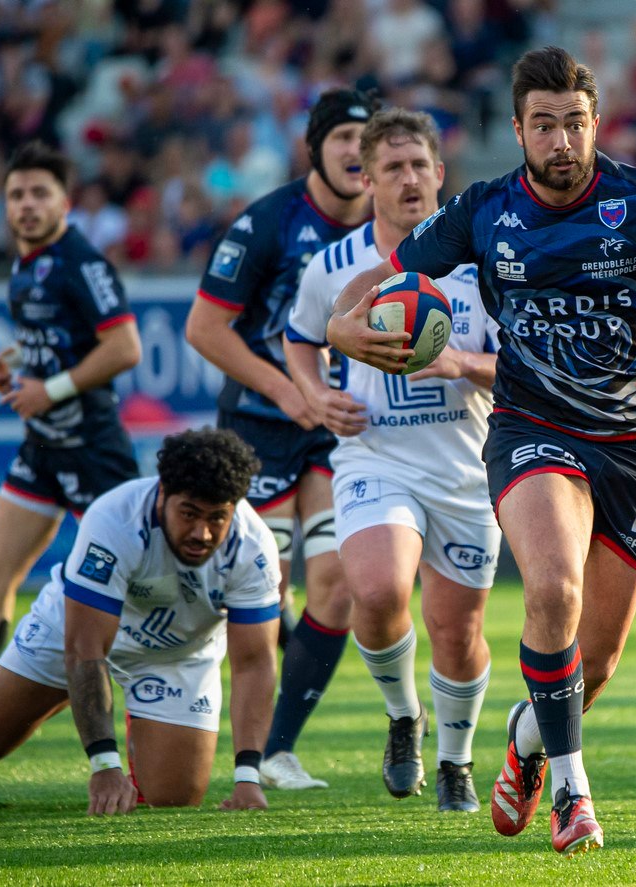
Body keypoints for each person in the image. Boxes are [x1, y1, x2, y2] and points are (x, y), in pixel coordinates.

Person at [325, 46, 636, 855]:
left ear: (597, 124)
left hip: (634, 444)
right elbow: (373, 282)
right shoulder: (484, 209)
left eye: (576, 124)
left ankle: (527, 741)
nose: (563, 141)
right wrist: (343, 328)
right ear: (519, 129)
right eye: (546, 125)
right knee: (552, 590)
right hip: (533, 428)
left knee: (597, 661)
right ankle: (572, 792)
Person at [0, 429, 282, 813]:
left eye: (216, 518)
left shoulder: (254, 546)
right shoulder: (115, 518)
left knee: (174, 797)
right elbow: (84, 650)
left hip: (177, 655)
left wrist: (248, 777)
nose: (202, 533)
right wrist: (104, 765)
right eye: (189, 513)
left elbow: (254, 663)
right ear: (161, 494)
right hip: (74, 631)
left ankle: (144, 720)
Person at [284, 108, 500, 812]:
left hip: (467, 467)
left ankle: (456, 762)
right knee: (376, 594)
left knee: (457, 631)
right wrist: (317, 395)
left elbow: (522, 366)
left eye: (418, 166)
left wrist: (462, 363)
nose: (408, 180)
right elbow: (300, 338)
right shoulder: (334, 267)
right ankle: (405, 714)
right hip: (375, 458)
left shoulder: (484, 261)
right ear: (367, 180)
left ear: (440, 173)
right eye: (392, 168)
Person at [0, 141, 142, 752]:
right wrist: (16, 370)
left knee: (133, 596)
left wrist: (52, 389)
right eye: (17, 195)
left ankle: (150, 715)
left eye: (41, 193)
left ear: (66, 203)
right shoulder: (24, 264)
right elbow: (55, 345)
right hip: (43, 450)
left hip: (93, 450)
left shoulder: (81, 262)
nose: (27, 204)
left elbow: (125, 347)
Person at [185, 88, 378, 792]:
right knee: (263, 591)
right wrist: (287, 389)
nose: (356, 151)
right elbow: (203, 328)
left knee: (340, 584)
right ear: (314, 150)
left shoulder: (394, 227)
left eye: (366, 139)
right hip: (260, 429)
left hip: (339, 429)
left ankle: (277, 749)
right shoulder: (268, 222)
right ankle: (239, 712)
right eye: (342, 138)